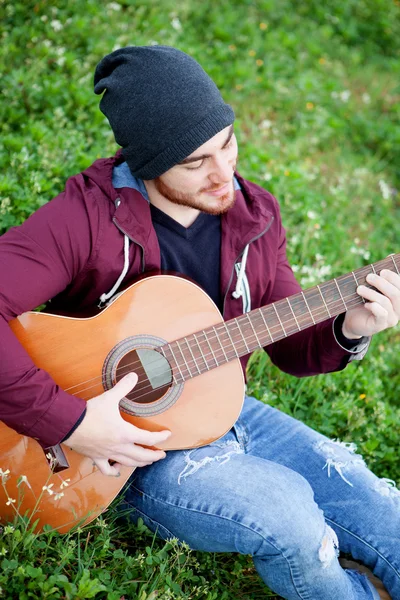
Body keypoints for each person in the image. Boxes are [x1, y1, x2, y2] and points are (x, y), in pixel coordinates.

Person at [1, 46, 399, 600]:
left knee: (382, 507)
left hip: (223, 406)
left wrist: (349, 327)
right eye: (194, 162)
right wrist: (70, 423)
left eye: (227, 143)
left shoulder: (255, 216)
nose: (223, 174)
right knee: (292, 523)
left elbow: (286, 344)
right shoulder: (85, 219)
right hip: (124, 454)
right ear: (146, 162)